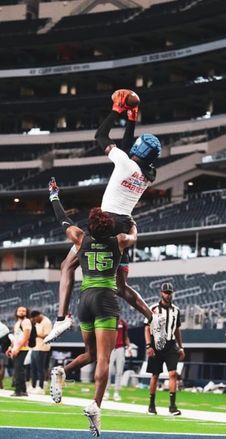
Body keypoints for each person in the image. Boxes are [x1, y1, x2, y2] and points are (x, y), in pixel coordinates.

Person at [44, 89, 161, 344]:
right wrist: (132, 118)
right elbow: (130, 150)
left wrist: (117, 111)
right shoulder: (147, 174)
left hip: (105, 222)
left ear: (137, 149)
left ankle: (62, 317)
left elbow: (100, 136)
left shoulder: (123, 162)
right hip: (125, 225)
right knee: (120, 287)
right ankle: (154, 318)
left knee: (67, 266)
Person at [48, 190, 139, 437]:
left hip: (84, 300)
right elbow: (133, 237)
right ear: (109, 226)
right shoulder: (118, 240)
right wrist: (132, 224)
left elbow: (62, 220)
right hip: (106, 300)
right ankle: (95, 406)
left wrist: (54, 196)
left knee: (91, 353)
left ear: (90, 225)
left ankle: (63, 371)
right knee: (104, 359)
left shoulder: (80, 238)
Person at [144, 282, 185, 416]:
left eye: (170, 293)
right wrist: (149, 346)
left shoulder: (176, 310)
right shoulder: (153, 308)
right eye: (166, 293)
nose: (168, 295)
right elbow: (146, 328)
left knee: (173, 374)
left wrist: (181, 347)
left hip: (171, 344)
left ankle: (172, 407)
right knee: (155, 375)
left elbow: (177, 329)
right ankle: (151, 405)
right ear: (161, 293)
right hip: (156, 344)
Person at [104, 318, 132, 401]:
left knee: (119, 372)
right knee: (108, 372)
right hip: (110, 348)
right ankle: (106, 392)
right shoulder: (109, 321)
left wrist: (129, 346)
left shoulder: (123, 322)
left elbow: (126, 336)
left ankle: (116, 392)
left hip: (120, 348)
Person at [6, 307, 32, 397]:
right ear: (16, 312)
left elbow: (26, 336)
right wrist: (11, 347)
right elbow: (16, 337)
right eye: (20, 311)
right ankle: (23, 391)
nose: (22, 312)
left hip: (22, 348)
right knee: (19, 369)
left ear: (26, 312)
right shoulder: (17, 322)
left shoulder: (26, 321)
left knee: (18, 370)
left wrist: (17, 348)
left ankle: (18, 391)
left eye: (24, 311)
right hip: (17, 347)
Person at [29, 310, 52, 394]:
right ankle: (33, 386)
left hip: (42, 348)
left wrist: (35, 334)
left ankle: (41, 387)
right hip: (35, 347)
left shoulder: (47, 322)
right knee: (33, 369)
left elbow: (47, 336)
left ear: (38, 315)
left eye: (35, 319)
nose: (35, 321)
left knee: (40, 369)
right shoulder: (36, 322)